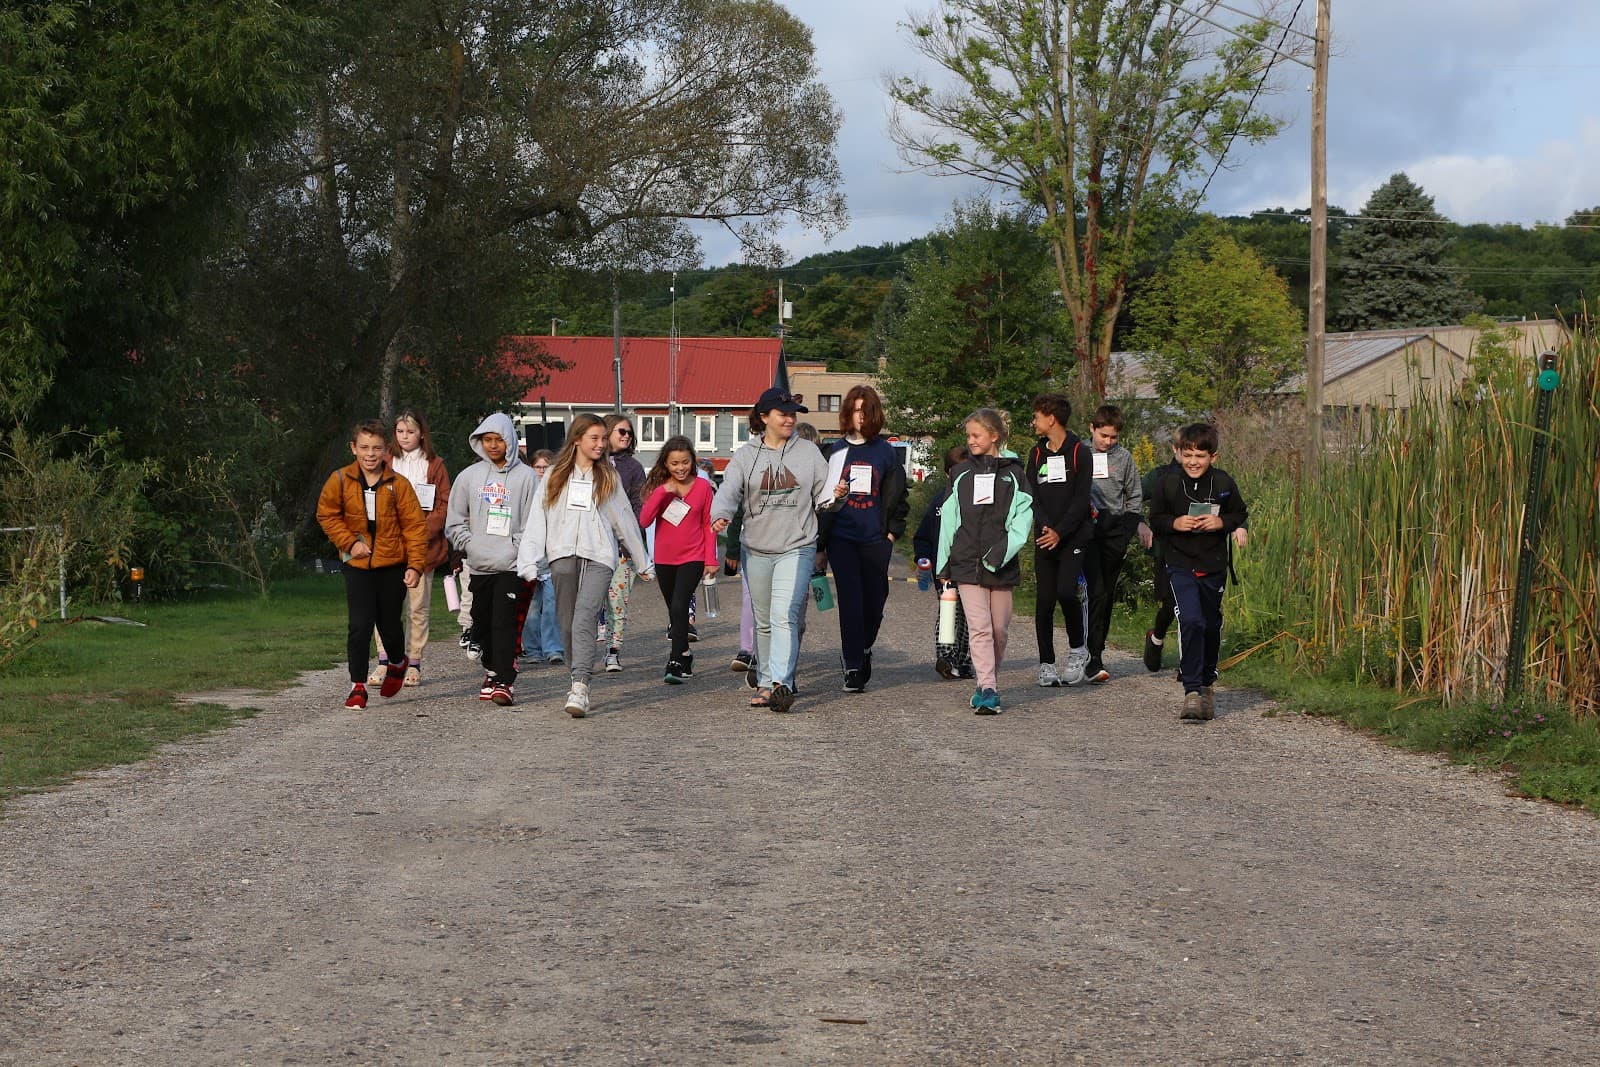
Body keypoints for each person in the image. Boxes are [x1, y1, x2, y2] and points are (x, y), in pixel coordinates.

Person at [517, 414, 653, 718]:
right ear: (577, 439)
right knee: (565, 621)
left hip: (600, 555)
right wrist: (527, 560)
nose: (601, 444)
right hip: (562, 553)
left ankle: (580, 685)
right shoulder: (554, 475)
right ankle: (576, 670)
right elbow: (539, 519)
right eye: (595, 438)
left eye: (603, 439)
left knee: (585, 617)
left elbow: (624, 520)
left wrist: (642, 560)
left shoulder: (608, 476)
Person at [710, 388, 837, 714]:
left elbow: (824, 496)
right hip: (757, 548)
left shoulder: (808, 452)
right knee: (764, 621)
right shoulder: (746, 455)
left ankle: (782, 683)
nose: (790, 419)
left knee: (785, 616)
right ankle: (766, 684)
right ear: (764, 417)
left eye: (794, 414)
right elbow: (729, 490)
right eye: (783, 414)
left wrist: (837, 494)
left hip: (797, 546)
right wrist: (720, 514)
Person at [317, 419, 430, 709]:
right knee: (360, 625)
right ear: (353, 448)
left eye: (376, 448)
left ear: (386, 451)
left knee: (389, 625)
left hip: (392, 565)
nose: (370, 454)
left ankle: (396, 662)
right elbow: (327, 514)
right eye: (364, 447)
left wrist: (415, 566)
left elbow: (415, 528)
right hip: (357, 564)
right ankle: (358, 686)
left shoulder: (399, 485)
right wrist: (350, 543)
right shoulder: (340, 479)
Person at [1146, 423, 1248, 721]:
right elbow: (1156, 518)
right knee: (1190, 619)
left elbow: (1239, 513)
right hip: (1179, 563)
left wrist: (1223, 524)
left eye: (1200, 456)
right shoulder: (1168, 483)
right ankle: (1191, 690)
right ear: (1180, 454)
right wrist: (1175, 524)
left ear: (1212, 457)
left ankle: (1206, 683)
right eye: (1188, 454)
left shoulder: (1223, 482)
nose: (1193, 461)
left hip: (1213, 564)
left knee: (1209, 624)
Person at [935, 409, 1033, 714]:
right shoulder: (961, 473)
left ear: (994, 436)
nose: (970, 441)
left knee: (998, 631)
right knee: (979, 628)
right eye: (968, 436)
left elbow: (1023, 519)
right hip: (965, 563)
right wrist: (943, 565)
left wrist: (1000, 553)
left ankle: (986, 679)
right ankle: (988, 687)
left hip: (1000, 564)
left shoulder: (1015, 474)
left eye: (976, 435)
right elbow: (949, 521)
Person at [818, 386, 908, 694]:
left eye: (865, 410)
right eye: (855, 410)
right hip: (842, 537)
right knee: (850, 601)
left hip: (875, 538)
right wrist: (820, 544)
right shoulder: (833, 452)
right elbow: (820, 501)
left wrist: (892, 533)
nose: (860, 416)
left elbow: (899, 496)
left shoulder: (885, 451)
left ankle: (864, 646)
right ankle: (853, 664)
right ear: (846, 413)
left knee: (875, 601)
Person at [445, 413, 539, 707]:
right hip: (479, 562)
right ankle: (491, 668)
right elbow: (454, 521)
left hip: (511, 564)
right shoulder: (468, 477)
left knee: (504, 620)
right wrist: (470, 545)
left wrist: (517, 548)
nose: (494, 445)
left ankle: (503, 681)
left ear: (510, 440)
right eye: (487, 440)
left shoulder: (527, 478)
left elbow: (534, 522)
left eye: (499, 439)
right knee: (481, 622)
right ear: (479, 441)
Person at [370, 410, 451, 688]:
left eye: (411, 432)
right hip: (388, 546)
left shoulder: (435, 465)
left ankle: (414, 661)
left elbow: (443, 504)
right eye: (400, 431)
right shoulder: (384, 461)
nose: (405, 437)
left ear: (422, 434)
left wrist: (422, 533)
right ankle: (386, 660)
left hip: (422, 548)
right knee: (385, 607)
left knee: (418, 607)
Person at [1023, 393, 1094, 688]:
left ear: (1050, 418)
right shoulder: (1036, 454)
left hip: (1073, 535)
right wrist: (1046, 528)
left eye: (1037, 416)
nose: (1033, 422)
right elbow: (1031, 496)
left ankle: (1079, 650)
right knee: (1044, 602)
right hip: (1045, 537)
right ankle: (1046, 664)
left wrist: (1060, 531)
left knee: (1067, 592)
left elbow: (1081, 500)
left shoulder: (1079, 452)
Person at [639, 436, 717, 683]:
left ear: (692, 461)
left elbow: (708, 524)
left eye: (685, 462)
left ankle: (673, 661)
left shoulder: (703, 487)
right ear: (666, 464)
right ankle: (685, 654)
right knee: (675, 611)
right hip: (664, 558)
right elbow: (644, 520)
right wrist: (663, 492)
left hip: (692, 556)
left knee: (679, 606)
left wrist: (711, 559)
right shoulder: (660, 486)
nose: (680, 468)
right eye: (674, 463)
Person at [1082, 405, 1144, 684]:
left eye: (1113, 437)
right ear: (1092, 429)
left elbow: (1134, 497)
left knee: (1104, 595)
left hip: (1114, 531)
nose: (1108, 442)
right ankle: (1084, 651)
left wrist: (1127, 531)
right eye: (1104, 436)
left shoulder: (1124, 458)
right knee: (1093, 592)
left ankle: (1096, 653)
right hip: (1085, 530)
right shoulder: (1079, 453)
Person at [912, 444, 974, 680]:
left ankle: (964, 660)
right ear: (948, 473)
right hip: (944, 569)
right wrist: (923, 558)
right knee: (949, 611)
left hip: (970, 567)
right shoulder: (939, 502)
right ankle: (946, 657)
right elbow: (923, 536)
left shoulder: (977, 501)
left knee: (969, 616)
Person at [600, 413, 647, 673]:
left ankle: (613, 652)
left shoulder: (634, 468)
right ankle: (582, 653)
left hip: (622, 549)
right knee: (590, 602)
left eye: (629, 433)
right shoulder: (592, 463)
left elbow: (639, 504)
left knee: (618, 602)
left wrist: (633, 532)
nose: (626, 436)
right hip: (593, 546)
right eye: (621, 431)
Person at [1139, 435, 1182, 672]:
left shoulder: (1211, 478)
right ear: (1174, 448)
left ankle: (1191, 663)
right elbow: (1133, 496)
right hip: (1167, 551)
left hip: (1200, 552)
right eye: (1185, 450)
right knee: (1171, 604)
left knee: (1191, 607)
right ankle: (1156, 638)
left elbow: (1232, 507)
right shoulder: (1159, 476)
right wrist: (1140, 523)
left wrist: (1238, 526)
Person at [519, 450, 564, 668]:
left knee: (552, 604)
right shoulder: (526, 491)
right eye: (538, 467)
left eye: (546, 467)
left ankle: (553, 648)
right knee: (532, 606)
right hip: (530, 558)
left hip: (551, 559)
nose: (542, 472)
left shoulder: (556, 492)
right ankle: (533, 648)